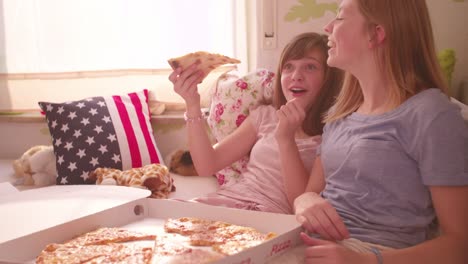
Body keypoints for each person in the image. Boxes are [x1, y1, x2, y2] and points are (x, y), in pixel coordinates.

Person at [293, 0, 468, 263]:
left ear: (376, 33)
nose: (328, 27)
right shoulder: (339, 116)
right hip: (306, 245)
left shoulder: (432, 114)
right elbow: (310, 192)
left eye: (339, 18)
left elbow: (460, 245)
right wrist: (304, 201)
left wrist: (367, 261)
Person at [169, 32, 344, 214]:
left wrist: (285, 138)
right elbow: (207, 165)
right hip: (229, 202)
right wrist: (192, 103)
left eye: (310, 67)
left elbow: (301, 204)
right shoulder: (265, 115)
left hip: (269, 217)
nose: (296, 76)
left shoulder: (333, 134)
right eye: (288, 67)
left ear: (328, 78)